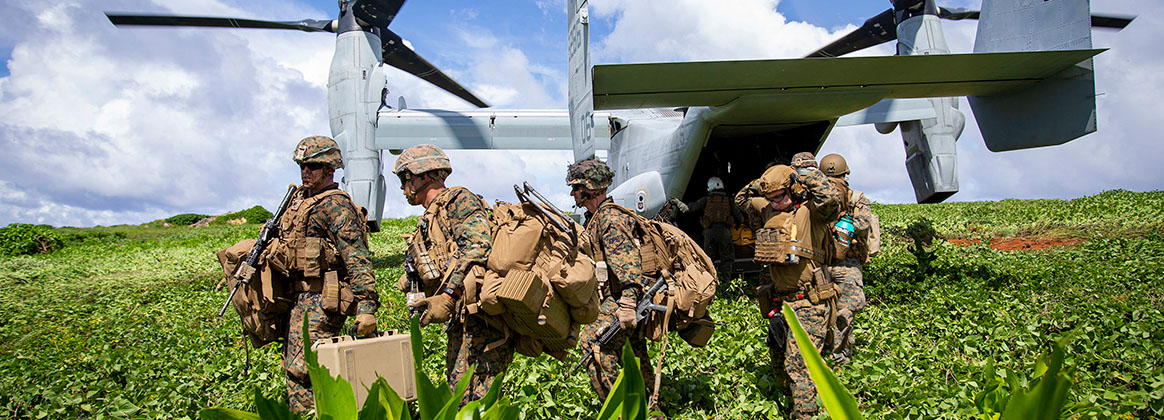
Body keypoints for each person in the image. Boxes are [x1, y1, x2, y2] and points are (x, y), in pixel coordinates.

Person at [393, 144, 513, 404]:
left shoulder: (458, 200)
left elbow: (478, 246)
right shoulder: (430, 217)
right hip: (462, 322)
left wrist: (448, 296)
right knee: (460, 396)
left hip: (482, 323)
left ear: (423, 176)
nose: (404, 186)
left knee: (479, 401)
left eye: (406, 178)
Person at [276, 135, 380, 414]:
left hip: (322, 300)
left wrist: (367, 307)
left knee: (306, 369)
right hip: (295, 298)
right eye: (302, 166)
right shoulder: (298, 201)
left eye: (312, 166)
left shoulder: (335, 205)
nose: (305, 172)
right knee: (294, 367)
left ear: (330, 170)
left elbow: (356, 257)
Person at [738, 161, 841, 419]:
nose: (775, 202)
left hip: (809, 301)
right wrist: (765, 181)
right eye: (769, 198)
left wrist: (804, 176)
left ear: (793, 190)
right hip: (781, 304)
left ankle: (806, 414)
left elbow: (831, 199)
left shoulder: (812, 212)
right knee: (779, 362)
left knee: (799, 365)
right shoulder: (768, 211)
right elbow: (741, 198)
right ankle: (791, 403)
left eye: (780, 196)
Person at [568, 158, 656, 401]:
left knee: (593, 345)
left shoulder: (610, 219)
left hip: (624, 299)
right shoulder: (595, 219)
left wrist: (628, 304)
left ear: (591, 188)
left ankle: (619, 409)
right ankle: (649, 408)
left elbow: (628, 264)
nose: (573, 193)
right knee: (634, 353)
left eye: (576, 188)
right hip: (618, 297)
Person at [817, 153, 872, 364]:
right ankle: (840, 356)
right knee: (845, 311)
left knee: (821, 309)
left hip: (820, 264)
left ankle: (821, 353)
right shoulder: (857, 198)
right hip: (849, 263)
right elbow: (864, 225)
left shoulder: (817, 199)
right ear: (846, 172)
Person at [670, 176, 744, 280]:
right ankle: (726, 280)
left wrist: (677, 202)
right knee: (727, 259)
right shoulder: (728, 201)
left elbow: (688, 209)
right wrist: (738, 225)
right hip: (725, 233)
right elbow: (739, 217)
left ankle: (710, 281)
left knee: (708, 259)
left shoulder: (706, 200)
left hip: (709, 233)